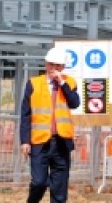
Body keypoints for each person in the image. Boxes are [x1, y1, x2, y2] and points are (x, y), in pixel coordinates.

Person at [20, 46, 81, 203]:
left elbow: (74, 103)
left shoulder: (70, 82)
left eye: (58, 66)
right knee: (39, 182)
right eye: (52, 64)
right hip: (40, 141)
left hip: (61, 141)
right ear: (46, 64)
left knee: (59, 187)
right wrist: (25, 141)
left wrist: (62, 83)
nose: (54, 68)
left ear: (63, 67)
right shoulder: (33, 83)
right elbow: (26, 115)